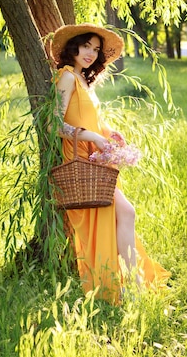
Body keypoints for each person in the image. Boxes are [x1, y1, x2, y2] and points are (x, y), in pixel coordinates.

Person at [50, 23, 169, 304]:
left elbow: (90, 119)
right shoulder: (66, 76)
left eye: (95, 49)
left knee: (122, 214)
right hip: (79, 156)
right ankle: (130, 285)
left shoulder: (84, 80)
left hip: (94, 154)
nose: (90, 53)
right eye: (86, 46)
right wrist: (92, 137)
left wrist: (109, 133)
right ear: (73, 46)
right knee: (125, 212)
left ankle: (131, 283)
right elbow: (55, 124)